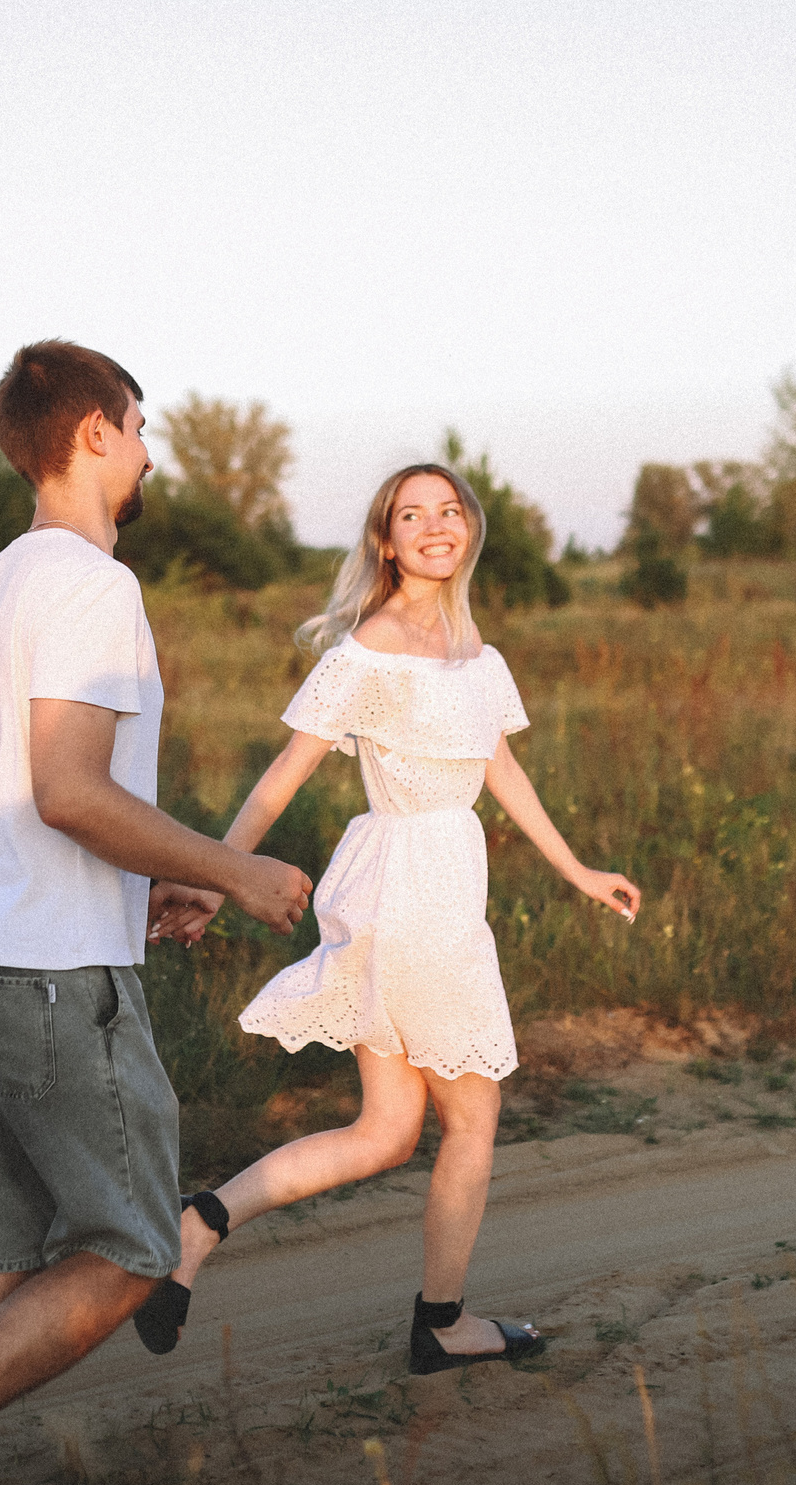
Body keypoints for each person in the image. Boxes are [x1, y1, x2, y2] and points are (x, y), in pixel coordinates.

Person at [0, 340, 314, 1485]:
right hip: (39, 979)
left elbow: (37, 800)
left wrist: (147, 883)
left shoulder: (0, 580)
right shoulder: (93, 584)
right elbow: (68, 790)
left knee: (1, 1254)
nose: (148, 451)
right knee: (135, 1246)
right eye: (139, 426)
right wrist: (234, 869)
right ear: (94, 431)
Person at [132, 462, 641, 1373]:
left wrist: (577, 868)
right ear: (387, 539)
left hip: (421, 886)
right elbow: (286, 771)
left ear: (470, 527)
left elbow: (500, 769)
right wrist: (213, 878)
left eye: (449, 510)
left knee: (386, 1131)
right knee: (473, 1118)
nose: (435, 525)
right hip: (413, 890)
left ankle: (200, 1222)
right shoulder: (369, 649)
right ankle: (441, 1322)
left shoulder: (476, 655)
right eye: (413, 514)